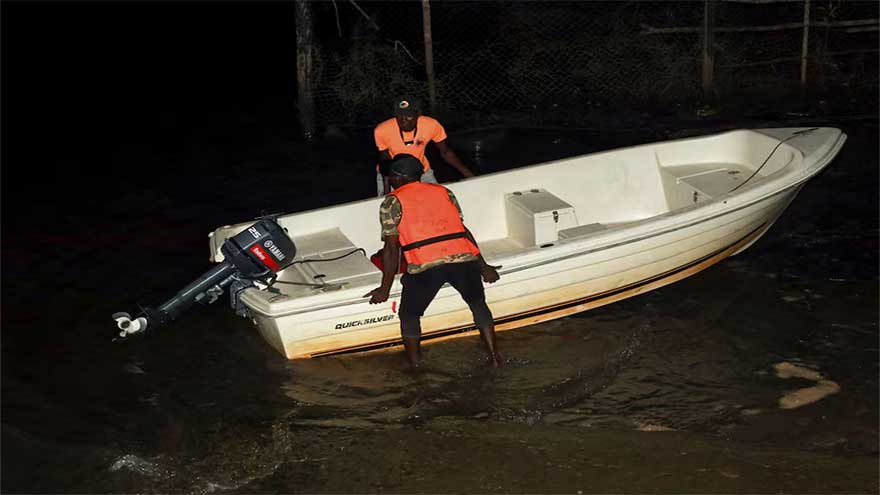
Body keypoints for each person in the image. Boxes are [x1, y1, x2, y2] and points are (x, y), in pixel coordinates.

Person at [364, 154, 502, 368]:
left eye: (391, 175)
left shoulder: (392, 201)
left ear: (398, 177)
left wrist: (384, 289)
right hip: (463, 261)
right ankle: (494, 356)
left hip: (426, 266)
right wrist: (483, 267)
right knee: (478, 304)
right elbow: (462, 231)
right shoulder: (444, 191)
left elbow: (391, 249)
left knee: (409, 315)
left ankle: (415, 364)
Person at [373, 97, 475, 197]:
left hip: (421, 171)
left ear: (418, 115)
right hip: (394, 174)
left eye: (409, 116)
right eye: (400, 115)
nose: (404, 120)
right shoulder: (381, 130)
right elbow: (385, 161)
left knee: (438, 198)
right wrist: (387, 192)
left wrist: (468, 174)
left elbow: (445, 152)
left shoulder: (431, 125)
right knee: (393, 208)